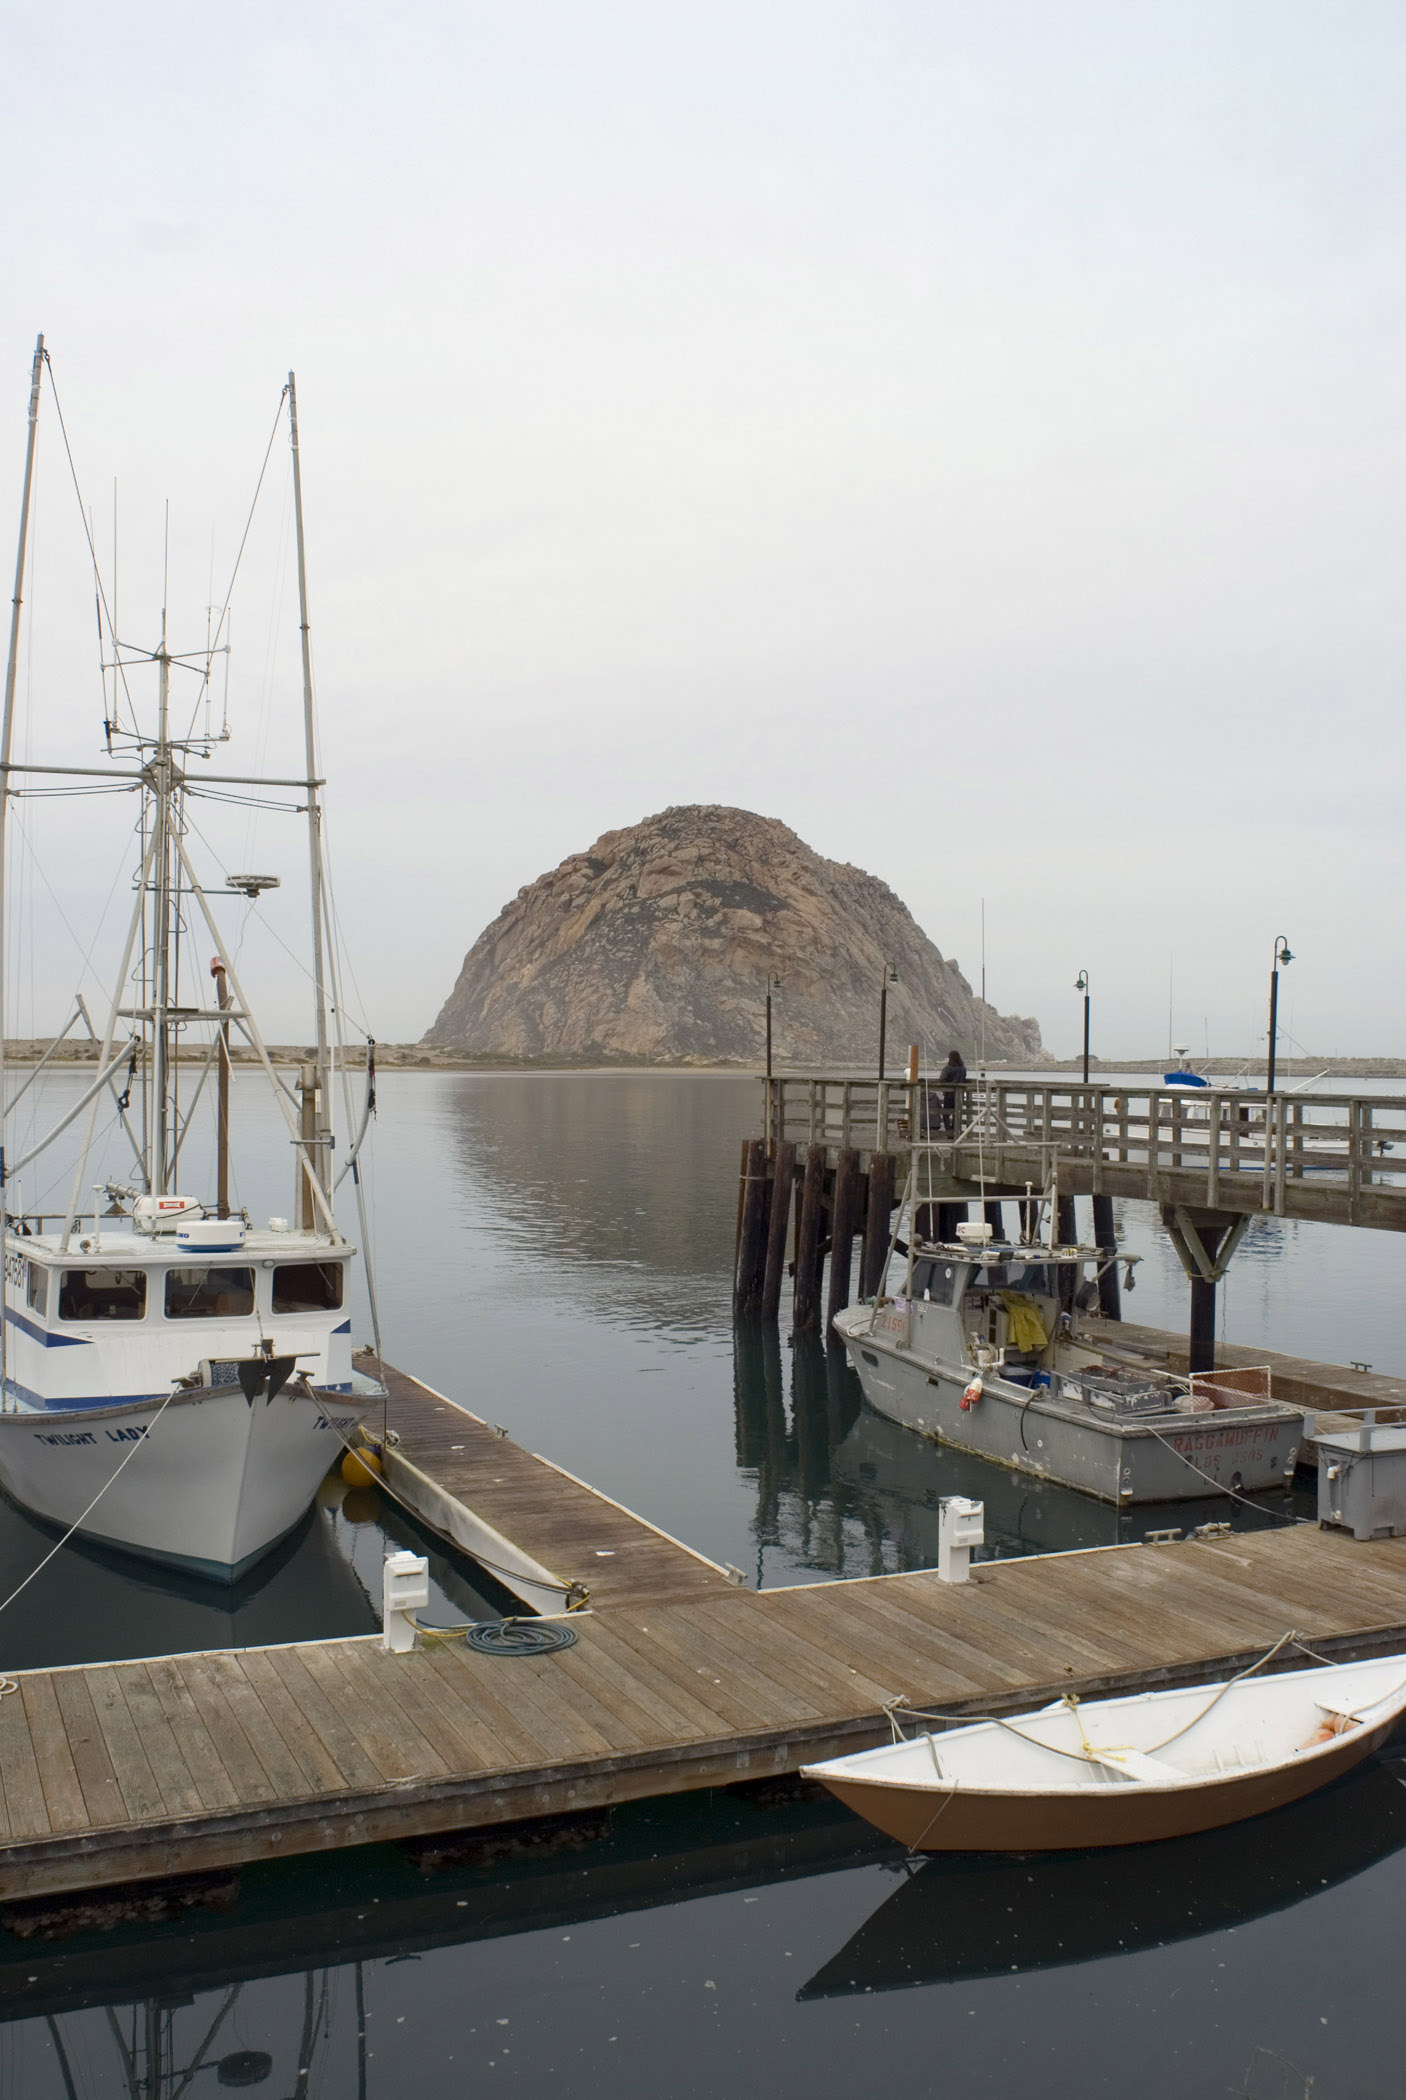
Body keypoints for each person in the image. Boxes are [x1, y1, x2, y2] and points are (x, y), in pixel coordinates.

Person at [939, 1047, 967, 1134]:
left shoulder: (947, 1068)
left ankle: (949, 1131)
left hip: (949, 1094)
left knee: (945, 1113)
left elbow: (942, 1079)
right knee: (957, 1112)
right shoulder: (963, 1068)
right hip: (960, 1094)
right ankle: (954, 1130)